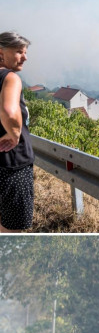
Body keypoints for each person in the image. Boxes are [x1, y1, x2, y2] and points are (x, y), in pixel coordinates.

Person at [0, 32, 35, 232]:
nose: (25, 57)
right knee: (12, 231)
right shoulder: (10, 78)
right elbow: (8, 111)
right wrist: (14, 135)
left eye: (25, 52)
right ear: (1, 53)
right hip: (12, 166)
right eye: (19, 52)